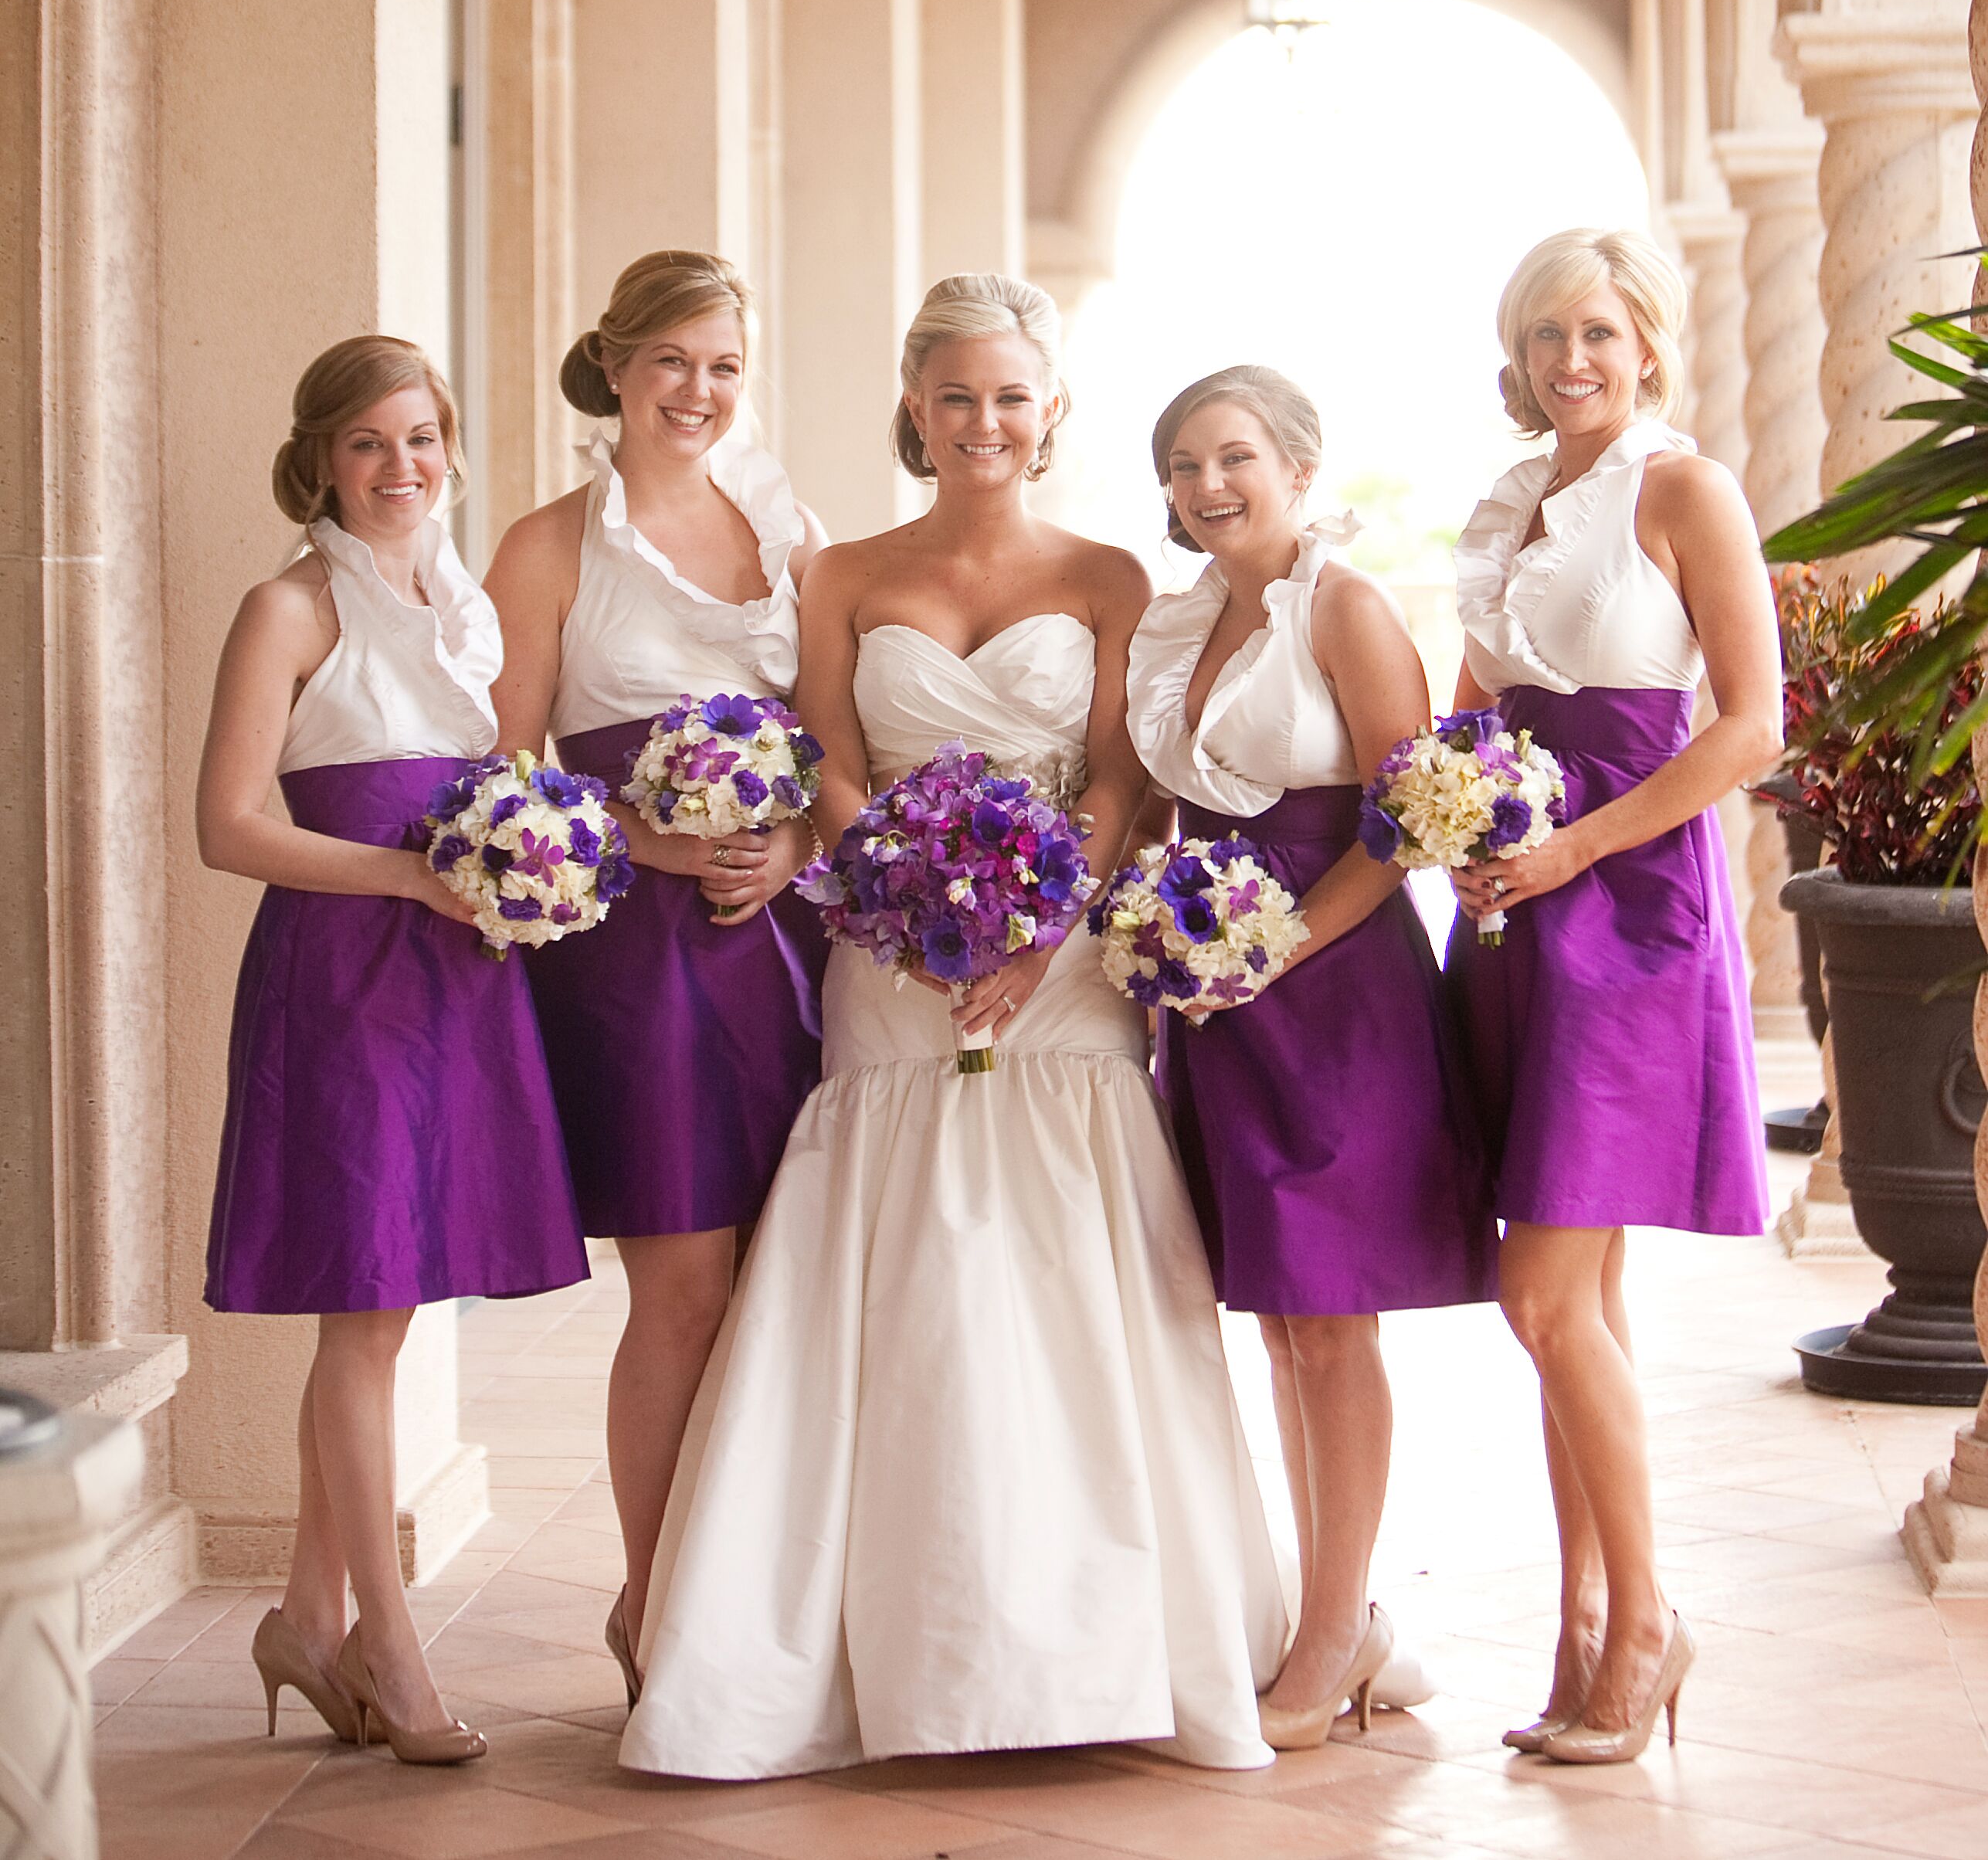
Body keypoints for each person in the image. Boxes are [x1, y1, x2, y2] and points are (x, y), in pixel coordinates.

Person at [619, 274, 1287, 1781]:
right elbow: (832, 756)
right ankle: (883, 1642)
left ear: (1050, 410)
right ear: (913, 407)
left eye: (1010, 395)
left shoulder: (1116, 572)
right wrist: (911, 905)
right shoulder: (841, 570)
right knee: (907, 1263)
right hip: (889, 955)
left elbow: (1121, 774)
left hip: (1066, 965)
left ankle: (1106, 1639)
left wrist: (1046, 919)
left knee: (1072, 1258)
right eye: (955, 395)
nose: (983, 421)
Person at [200, 337, 585, 1767]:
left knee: (395, 1301)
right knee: (361, 1305)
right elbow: (228, 823)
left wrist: (535, 863)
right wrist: (410, 879)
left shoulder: (467, 604)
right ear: (321, 457)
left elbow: (497, 780)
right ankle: (394, 1645)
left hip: (457, 978)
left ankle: (310, 1619)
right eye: (369, 442)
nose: (402, 465)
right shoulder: (289, 605)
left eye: (422, 437)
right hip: (345, 978)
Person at [1128, 366, 1498, 1751]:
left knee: (1333, 1323)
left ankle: (1338, 1628)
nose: (1205, 484)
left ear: (1294, 463)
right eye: (1180, 464)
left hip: (1334, 989)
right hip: (1215, 1000)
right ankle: (1325, 1617)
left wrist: (1272, 951)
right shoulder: (1179, 624)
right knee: (1280, 1321)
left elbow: (1403, 821)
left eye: (1231, 456)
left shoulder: (1345, 604)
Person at [1446, 229, 1776, 1767]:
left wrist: (1575, 841)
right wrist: (1460, 826)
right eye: (1540, 335)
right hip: (1514, 907)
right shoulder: (1509, 504)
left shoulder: (1682, 488)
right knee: (1578, 1293)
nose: (1568, 358)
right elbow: (1475, 700)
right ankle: (1582, 1622)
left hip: (1630, 900)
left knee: (1543, 1293)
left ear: (1646, 339)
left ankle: (1648, 1619)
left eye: (1595, 329)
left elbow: (1750, 728)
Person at [484, 250, 825, 1691]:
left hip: (788, 940)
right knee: (681, 1280)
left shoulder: (789, 524)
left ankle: (751, 1597)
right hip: (635, 952)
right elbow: (494, 777)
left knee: (778, 1280)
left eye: (725, 365)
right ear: (614, 364)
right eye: (673, 359)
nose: (699, 390)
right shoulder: (547, 545)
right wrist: (653, 844)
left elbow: (840, 731)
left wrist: (795, 835)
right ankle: (651, 1605)